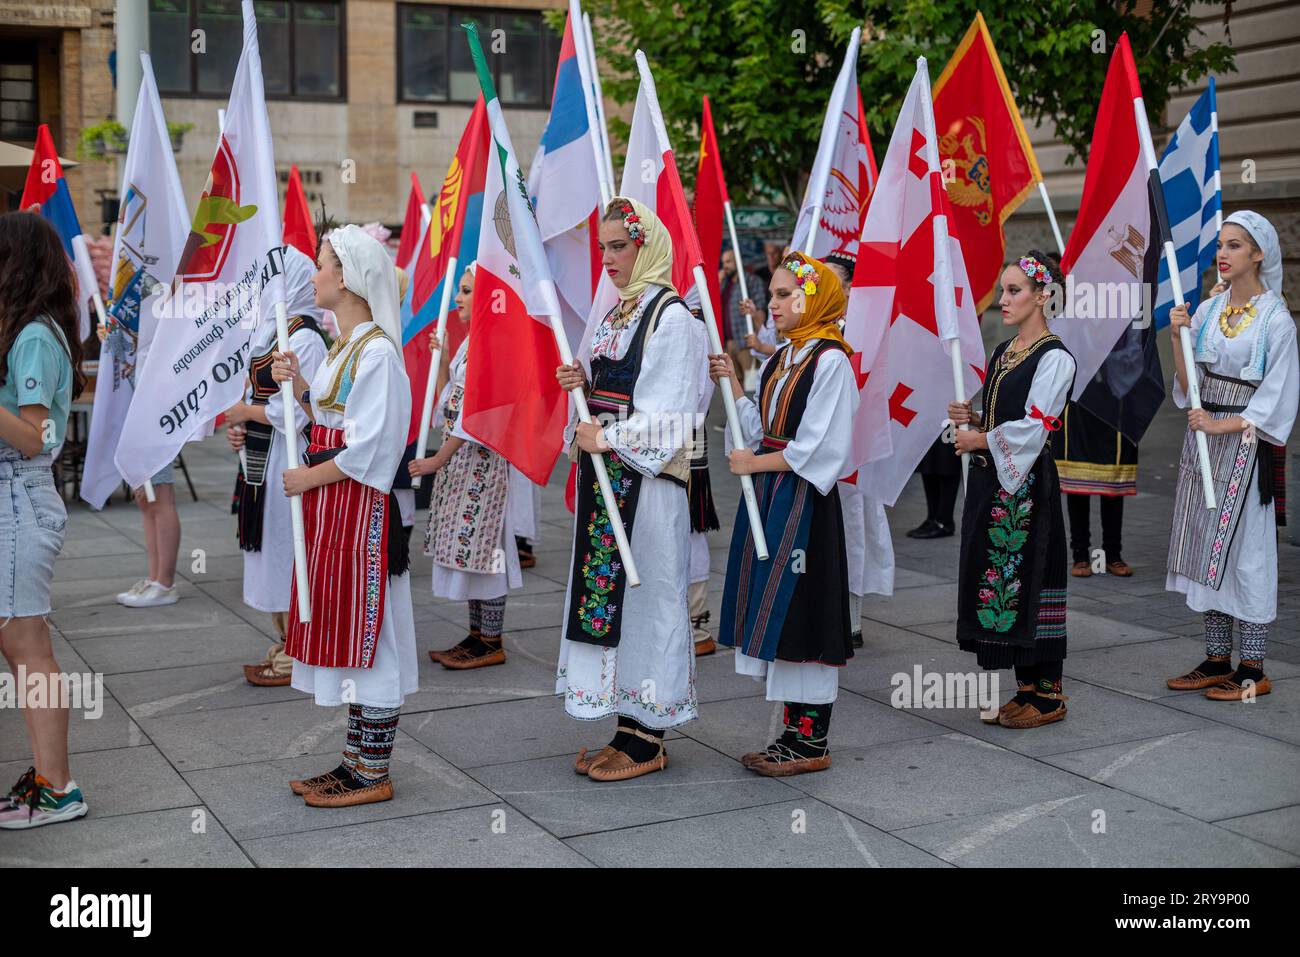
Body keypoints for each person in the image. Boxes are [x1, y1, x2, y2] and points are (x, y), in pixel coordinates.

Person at [554, 197, 707, 782]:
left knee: (647, 597)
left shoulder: (672, 317)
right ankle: (625, 723)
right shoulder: (618, 312)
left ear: (646, 245)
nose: (608, 258)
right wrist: (582, 385)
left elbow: (671, 413)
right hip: (607, 480)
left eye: (619, 246)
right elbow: (612, 391)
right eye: (603, 248)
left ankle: (650, 737)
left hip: (646, 483)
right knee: (609, 599)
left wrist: (607, 435)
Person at [271, 224, 416, 807]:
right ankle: (355, 760)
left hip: (361, 516)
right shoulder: (345, 348)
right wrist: (300, 386)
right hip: (335, 511)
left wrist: (308, 476)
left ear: (349, 278)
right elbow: (333, 416)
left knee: (370, 637)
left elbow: (373, 445)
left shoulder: (378, 352)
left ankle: (372, 771)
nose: (315, 273)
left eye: (324, 263)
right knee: (343, 631)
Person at [713, 252, 858, 776]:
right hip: (773, 495)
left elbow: (823, 446)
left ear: (811, 298)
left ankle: (810, 739)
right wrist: (730, 383)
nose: (770, 304)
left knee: (804, 609)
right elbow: (756, 423)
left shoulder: (831, 361)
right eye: (772, 294)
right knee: (779, 610)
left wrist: (756, 461)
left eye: (781, 295)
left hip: (805, 504)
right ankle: (792, 735)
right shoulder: (781, 358)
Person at [1165, 211, 1298, 701]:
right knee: (1207, 546)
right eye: (1222, 244)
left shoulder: (1276, 319)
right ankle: (1217, 659)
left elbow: (1279, 396)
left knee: (1248, 551)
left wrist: (1222, 423)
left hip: (1245, 447)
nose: (1223, 253)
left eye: (1236, 246)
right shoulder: (1207, 310)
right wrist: (1177, 334)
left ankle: (1254, 667)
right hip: (1204, 443)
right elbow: (1188, 385)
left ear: (1258, 254)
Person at [951, 251, 1075, 729]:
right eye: (1003, 290)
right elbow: (1008, 420)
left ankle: (1050, 692)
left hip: (1028, 489)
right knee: (1003, 580)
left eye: (1015, 291)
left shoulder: (1056, 357)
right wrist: (977, 420)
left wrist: (980, 438)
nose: (1003, 299)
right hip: (995, 482)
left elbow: (1036, 427)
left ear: (1043, 296)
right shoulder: (1004, 352)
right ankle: (1026, 686)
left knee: (1036, 575)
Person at [0, 212, 88, 828]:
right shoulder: (38, 329)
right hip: (17, 496)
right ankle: (49, 778)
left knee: (28, 648)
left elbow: (35, 436)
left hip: (18, 495)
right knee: (22, 646)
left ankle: (58, 787)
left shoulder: (33, 335)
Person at [227, 247, 329, 686]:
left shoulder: (304, 336)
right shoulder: (271, 330)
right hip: (261, 460)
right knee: (269, 548)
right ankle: (287, 639)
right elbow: (255, 396)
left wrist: (247, 416)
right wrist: (240, 429)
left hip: (287, 458)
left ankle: (300, 647)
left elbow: (303, 411)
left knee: (288, 548)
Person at [412, 262, 522, 669]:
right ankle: (477, 635)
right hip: (461, 462)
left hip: (482, 464)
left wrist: (439, 458)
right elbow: (451, 407)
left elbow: (484, 415)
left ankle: (491, 640)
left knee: (487, 548)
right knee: (469, 549)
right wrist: (441, 363)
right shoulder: (471, 342)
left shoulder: (496, 344)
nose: (457, 298)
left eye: (465, 290)